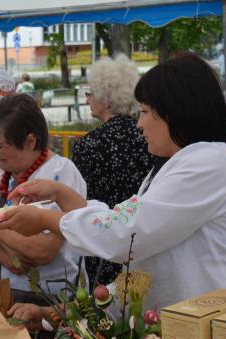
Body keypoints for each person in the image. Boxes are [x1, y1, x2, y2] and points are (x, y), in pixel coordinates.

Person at [0, 53, 226, 311]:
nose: (139, 124)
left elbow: (127, 233)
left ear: (176, 113)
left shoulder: (209, 163)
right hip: (202, 327)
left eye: (146, 112)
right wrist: (60, 194)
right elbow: (131, 235)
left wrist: (45, 220)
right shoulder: (173, 167)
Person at [0, 94, 86, 305]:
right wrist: (6, 256)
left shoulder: (59, 175)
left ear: (30, 141)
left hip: (41, 303)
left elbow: (42, 250)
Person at [71, 55, 153, 285]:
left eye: (91, 93)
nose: (88, 99)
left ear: (107, 99)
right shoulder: (148, 137)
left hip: (102, 240)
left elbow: (79, 200)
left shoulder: (89, 144)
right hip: (142, 241)